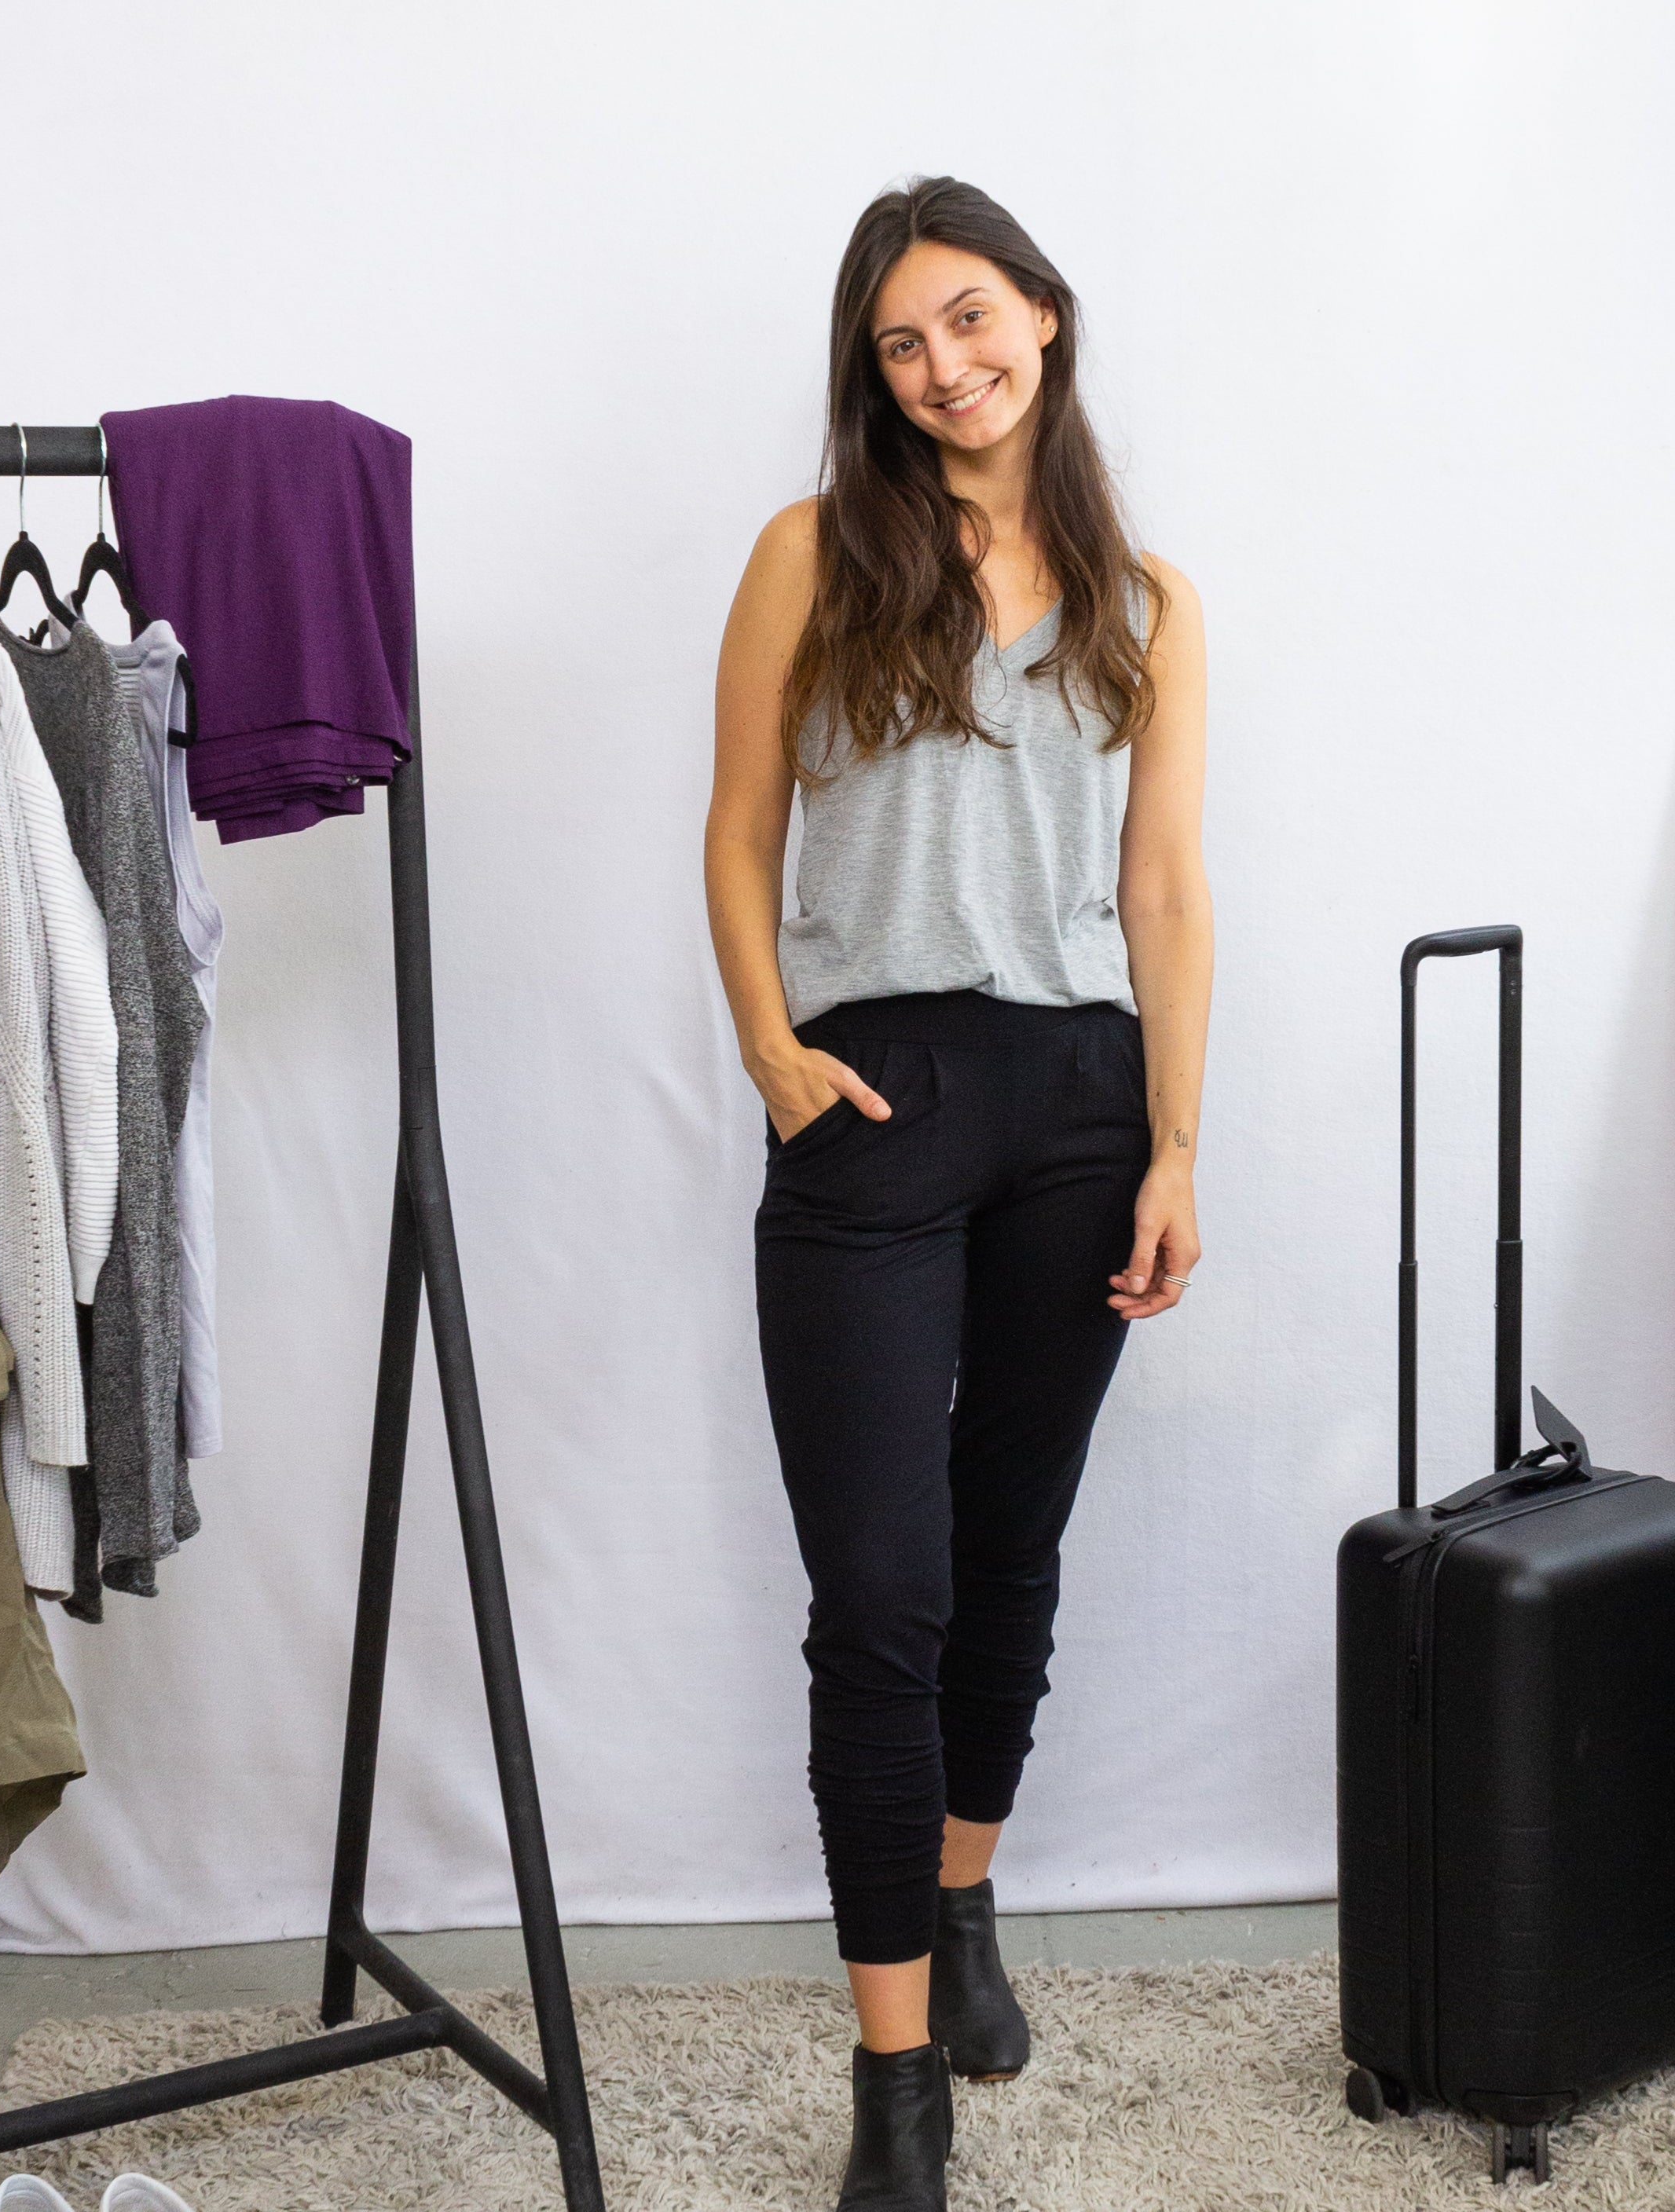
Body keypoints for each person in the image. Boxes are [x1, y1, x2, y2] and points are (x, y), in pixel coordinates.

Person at [706, 174, 1211, 2210]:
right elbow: (739, 832)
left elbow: (1165, 890)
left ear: (1047, 320)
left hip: (1083, 1104)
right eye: (904, 342)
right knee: (880, 1601)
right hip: (874, 1098)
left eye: (974, 320)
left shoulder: (1145, 600)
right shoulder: (811, 556)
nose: (946, 368)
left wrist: (1180, 1140)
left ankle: (968, 1899)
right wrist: (767, 1052)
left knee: (1007, 1550)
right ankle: (894, 2082)